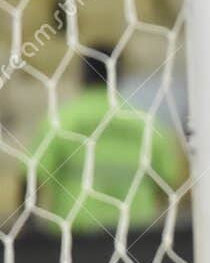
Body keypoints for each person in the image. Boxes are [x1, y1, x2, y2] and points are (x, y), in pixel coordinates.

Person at [29, 44, 185, 233]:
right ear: (120, 74)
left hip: (74, 235)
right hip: (137, 235)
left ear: (82, 74)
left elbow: (31, 177)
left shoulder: (61, 119)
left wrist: (30, 233)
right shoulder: (146, 122)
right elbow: (168, 184)